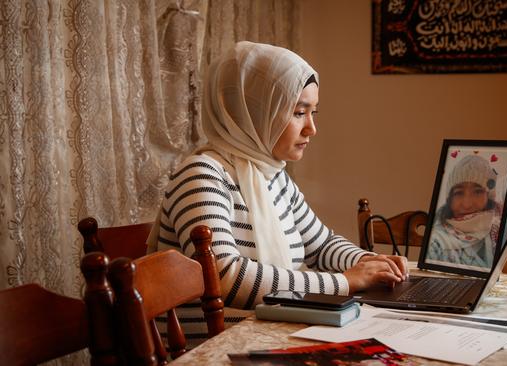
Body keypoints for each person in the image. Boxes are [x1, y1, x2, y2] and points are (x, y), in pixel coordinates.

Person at [146, 41, 408, 342]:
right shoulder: (201, 175)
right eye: (299, 112)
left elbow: (321, 245)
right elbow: (224, 277)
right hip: (216, 349)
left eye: (313, 112)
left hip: (270, 333)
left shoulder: (274, 178)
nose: (312, 128)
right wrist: (344, 283)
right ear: (255, 113)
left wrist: (369, 263)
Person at [426, 154, 503, 268]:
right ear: (449, 199)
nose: (467, 204)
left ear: (488, 196)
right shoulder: (435, 242)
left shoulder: (497, 231)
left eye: (477, 191)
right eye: (459, 193)